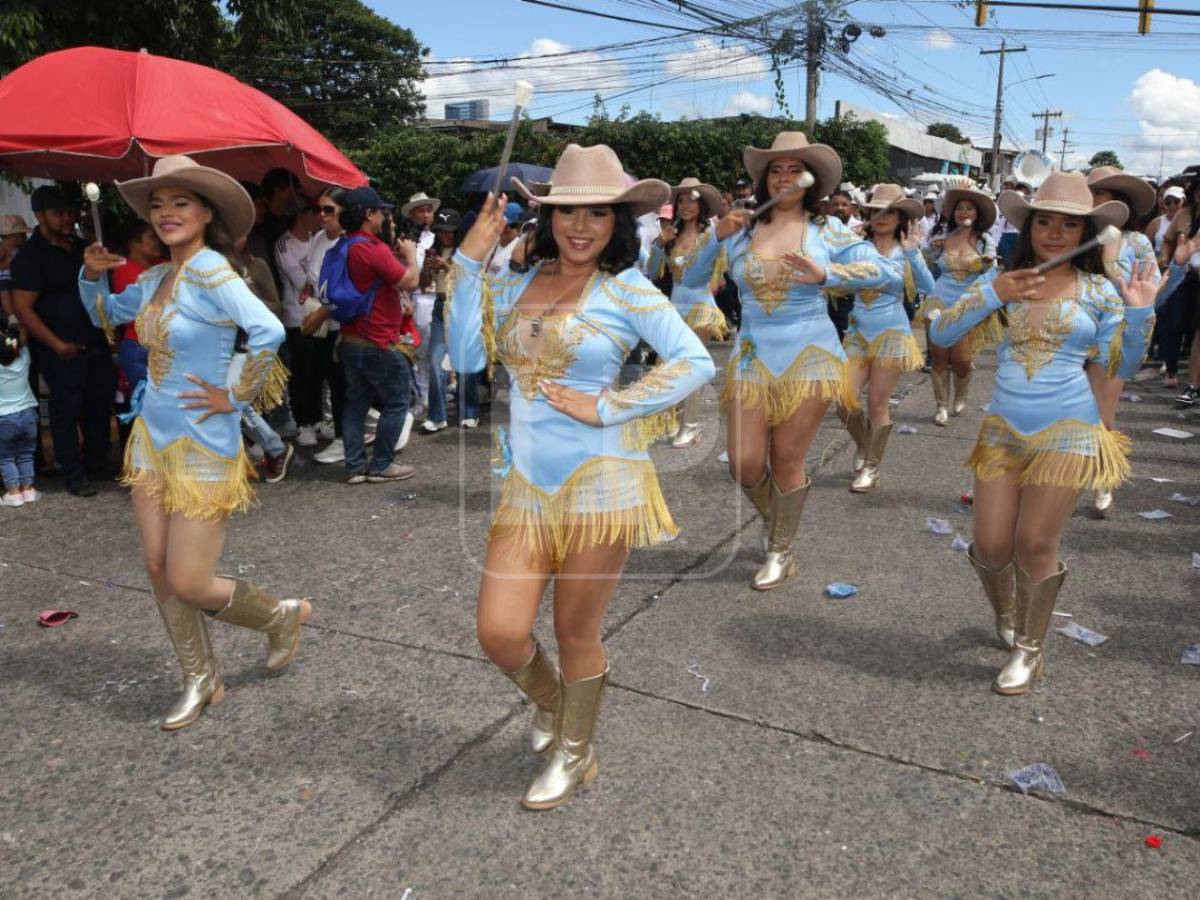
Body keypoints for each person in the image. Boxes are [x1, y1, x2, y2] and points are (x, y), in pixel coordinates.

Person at [449, 143, 714, 810]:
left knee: (575, 632)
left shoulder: (625, 288)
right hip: (526, 484)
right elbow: (463, 355)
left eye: (598, 212)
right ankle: (557, 707)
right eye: (568, 211)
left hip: (603, 479)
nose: (581, 225)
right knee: (499, 631)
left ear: (616, 221)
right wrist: (465, 260)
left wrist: (610, 405)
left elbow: (693, 361)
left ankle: (576, 752)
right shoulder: (514, 282)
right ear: (547, 216)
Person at [76, 155, 310, 730]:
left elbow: (269, 330)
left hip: (205, 444)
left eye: (180, 202)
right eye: (157, 205)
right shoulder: (156, 277)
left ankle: (278, 616)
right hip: (151, 441)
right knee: (158, 567)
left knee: (190, 579)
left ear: (206, 213)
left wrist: (234, 396)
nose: (166, 213)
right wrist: (90, 273)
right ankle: (200, 677)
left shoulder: (212, 273)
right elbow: (106, 313)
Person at [929, 171, 1155, 696]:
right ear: (1028, 227)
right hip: (1003, 430)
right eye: (1044, 221)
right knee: (989, 546)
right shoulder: (1008, 282)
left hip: (1069, 430)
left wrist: (1140, 311)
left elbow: (1121, 362)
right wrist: (991, 293)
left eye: (1069, 225)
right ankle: (1011, 614)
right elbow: (941, 333)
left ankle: (1030, 648)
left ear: (1086, 233)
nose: (1055, 233)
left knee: (1034, 542)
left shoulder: (1100, 290)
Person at [680, 132, 900, 590]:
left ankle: (780, 548)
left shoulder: (828, 232)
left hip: (811, 355)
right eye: (774, 170)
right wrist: (712, 237)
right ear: (764, 180)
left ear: (810, 181)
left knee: (786, 456)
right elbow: (694, 276)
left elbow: (889, 272)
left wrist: (829, 274)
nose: (783, 177)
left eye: (793, 170)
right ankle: (778, 523)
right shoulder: (739, 233)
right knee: (743, 462)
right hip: (752, 358)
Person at [11, 185, 116, 497]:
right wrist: (56, 344)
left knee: (99, 404)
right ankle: (73, 472)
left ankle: (97, 461)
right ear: (39, 215)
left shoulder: (83, 248)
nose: (67, 218)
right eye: (58, 213)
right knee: (65, 410)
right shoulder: (31, 257)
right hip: (59, 347)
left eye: (70, 212)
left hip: (94, 340)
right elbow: (23, 308)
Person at [839, 184, 934, 492]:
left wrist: (914, 253)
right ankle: (867, 445)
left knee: (877, 403)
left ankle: (872, 468)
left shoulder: (905, 250)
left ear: (900, 217)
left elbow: (929, 286)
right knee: (843, 400)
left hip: (891, 334)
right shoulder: (856, 246)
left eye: (888, 211)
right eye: (874, 211)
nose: (880, 217)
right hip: (856, 334)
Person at [1086, 166, 1161, 516]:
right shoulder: (1075, 235)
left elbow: (1151, 288)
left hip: (1112, 333)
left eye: (1105, 195)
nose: (1098, 201)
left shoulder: (1138, 242)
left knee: (1103, 415)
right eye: (1094, 194)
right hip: (1070, 330)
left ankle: (1103, 479)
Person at [336, 186, 420, 483]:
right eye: (380, 211)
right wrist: (410, 256)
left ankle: (355, 467)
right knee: (397, 401)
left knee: (356, 404)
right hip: (378, 342)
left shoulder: (342, 246)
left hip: (349, 340)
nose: (385, 216)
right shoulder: (371, 247)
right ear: (368, 214)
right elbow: (409, 281)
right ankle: (382, 464)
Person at [644, 178, 729, 447]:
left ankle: (690, 426)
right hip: (675, 307)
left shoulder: (710, 236)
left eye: (691, 199)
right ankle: (674, 422)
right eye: (681, 200)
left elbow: (722, 270)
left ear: (701, 205)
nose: (685, 205)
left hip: (702, 308)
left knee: (691, 364)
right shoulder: (670, 236)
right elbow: (651, 271)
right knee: (671, 364)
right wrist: (659, 243)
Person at [917, 183, 998, 426]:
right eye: (959, 208)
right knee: (939, 356)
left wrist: (986, 265)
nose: (963, 213)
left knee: (961, 359)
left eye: (969, 209)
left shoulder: (985, 241)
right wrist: (930, 250)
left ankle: (960, 394)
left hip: (968, 304)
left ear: (978, 214)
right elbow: (926, 267)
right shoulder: (941, 239)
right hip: (939, 300)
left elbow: (992, 273)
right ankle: (940, 406)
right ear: (952, 213)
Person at [275, 197, 324, 447]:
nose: (319, 216)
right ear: (300, 214)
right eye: (314, 211)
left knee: (318, 371)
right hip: (297, 316)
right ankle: (302, 422)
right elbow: (302, 281)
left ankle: (317, 418)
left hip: (320, 314)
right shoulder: (284, 244)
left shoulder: (319, 239)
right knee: (302, 372)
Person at [305, 189, 349, 464]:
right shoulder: (318, 238)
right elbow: (313, 277)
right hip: (322, 322)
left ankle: (345, 440)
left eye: (329, 210)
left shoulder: (348, 243)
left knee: (341, 382)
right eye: (318, 209)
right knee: (332, 379)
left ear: (342, 213)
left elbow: (346, 289)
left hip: (344, 324)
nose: (321, 215)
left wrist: (322, 312)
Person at [418, 208, 461, 433]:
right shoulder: (434, 250)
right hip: (439, 306)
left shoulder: (466, 251)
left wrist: (444, 266)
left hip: (462, 308)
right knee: (435, 360)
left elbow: (468, 280)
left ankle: (469, 409)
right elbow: (423, 283)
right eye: (441, 231)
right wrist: (426, 267)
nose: (445, 235)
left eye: (450, 231)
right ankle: (437, 416)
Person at [0, 325, 39, 507]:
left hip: (4, 417)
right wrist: (18, 324)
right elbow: (24, 340)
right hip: (28, 414)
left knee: (6, 457)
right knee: (26, 454)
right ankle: (28, 490)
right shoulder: (24, 359)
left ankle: (13, 493)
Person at [0, 215, 32, 320]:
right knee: (5, 293)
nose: (25, 237)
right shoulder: (3, 248)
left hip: (20, 278)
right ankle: (11, 316)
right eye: (22, 235)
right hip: (6, 278)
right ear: (9, 236)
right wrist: (9, 262)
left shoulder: (22, 248)